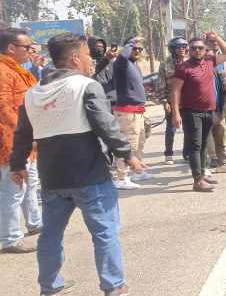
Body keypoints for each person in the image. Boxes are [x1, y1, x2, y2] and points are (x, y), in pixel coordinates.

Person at [10, 32, 143, 295]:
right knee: (104, 232)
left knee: (50, 234)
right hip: (90, 175)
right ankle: (113, 285)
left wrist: (17, 165)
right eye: (86, 54)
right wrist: (128, 154)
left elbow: (22, 134)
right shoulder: (85, 86)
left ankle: (50, 286)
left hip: (52, 179)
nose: (90, 59)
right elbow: (106, 126)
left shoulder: (32, 93)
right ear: (74, 58)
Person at [172, 31, 226, 192]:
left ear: (205, 49)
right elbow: (175, 91)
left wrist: (216, 38)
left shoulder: (209, 62)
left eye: (200, 48)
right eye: (193, 48)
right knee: (195, 146)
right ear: (189, 50)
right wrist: (175, 113)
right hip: (191, 112)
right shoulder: (183, 68)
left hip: (209, 111)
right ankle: (197, 181)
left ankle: (201, 174)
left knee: (203, 145)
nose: (197, 51)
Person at [0, 27, 41, 255]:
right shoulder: (3, 72)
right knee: (14, 189)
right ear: (11, 48)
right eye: (27, 47)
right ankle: (10, 239)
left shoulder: (17, 70)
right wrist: (25, 137)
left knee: (30, 183)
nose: (31, 50)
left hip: (25, 140)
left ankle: (34, 223)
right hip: (12, 142)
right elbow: (4, 109)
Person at [111, 37, 154, 189]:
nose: (137, 51)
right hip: (127, 112)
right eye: (134, 48)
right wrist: (133, 40)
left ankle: (137, 172)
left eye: (139, 49)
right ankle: (122, 178)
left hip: (138, 111)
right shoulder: (121, 63)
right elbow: (123, 54)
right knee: (129, 145)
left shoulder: (135, 66)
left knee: (139, 143)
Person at [205, 45, 226, 174]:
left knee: (221, 136)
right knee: (203, 139)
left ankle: (223, 164)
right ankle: (202, 168)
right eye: (207, 56)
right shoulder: (196, 72)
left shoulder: (216, 72)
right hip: (203, 111)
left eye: (212, 56)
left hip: (218, 110)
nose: (210, 59)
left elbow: (223, 91)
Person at [157, 36, 188, 164]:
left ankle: (187, 154)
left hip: (188, 102)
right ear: (172, 49)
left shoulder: (189, 62)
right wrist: (164, 101)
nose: (181, 49)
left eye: (183, 47)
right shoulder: (165, 64)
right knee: (171, 129)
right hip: (172, 102)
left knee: (188, 129)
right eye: (178, 47)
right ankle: (168, 154)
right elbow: (161, 85)